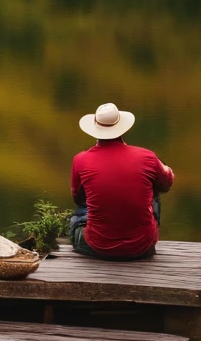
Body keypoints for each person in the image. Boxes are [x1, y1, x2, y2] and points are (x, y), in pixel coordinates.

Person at [70, 102, 174, 260]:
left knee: (77, 218)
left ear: (95, 129)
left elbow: (78, 198)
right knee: (153, 190)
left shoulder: (80, 160)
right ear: (122, 128)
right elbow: (167, 184)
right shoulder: (147, 157)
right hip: (143, 246)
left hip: (98, 246)